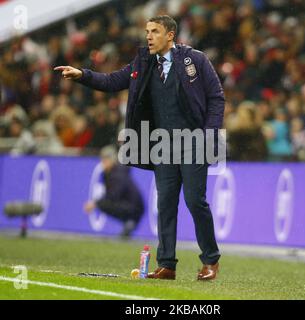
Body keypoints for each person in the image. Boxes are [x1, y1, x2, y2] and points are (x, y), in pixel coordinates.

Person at [55, 15, 225, 281]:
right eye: (147, 31)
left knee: (195, 201)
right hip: (162, 145)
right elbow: (112, 81)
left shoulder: (196, 59)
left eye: (154, 31)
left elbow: (216, 97)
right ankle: (167, 264)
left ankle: (210, 261)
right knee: (166, 204)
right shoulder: (143, 62)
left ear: (170, 35)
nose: (148, 36)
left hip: (194, 143)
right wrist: (82, 75)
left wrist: (209, 134)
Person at [83, 145, 144, 238]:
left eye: (105, 160)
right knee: (104, 204)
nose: (103, 163)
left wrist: (95, 203)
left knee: (104, 204)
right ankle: (128, 222)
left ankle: (130, 221)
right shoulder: (109, 173)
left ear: (112, 160)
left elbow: (113, 195)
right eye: (102, 159)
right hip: (132, 205)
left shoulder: (117, 174)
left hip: (134, 207)